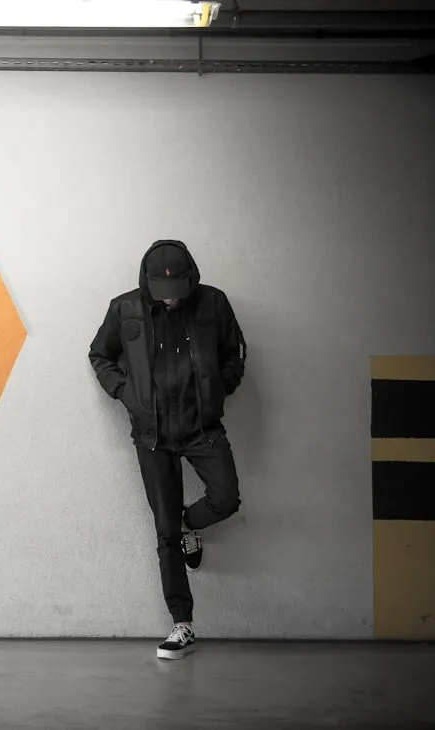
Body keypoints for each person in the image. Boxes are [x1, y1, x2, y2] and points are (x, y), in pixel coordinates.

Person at [89, 239, 247, 660]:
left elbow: (235, 354)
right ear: (148, 282)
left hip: (202, 427)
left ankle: (188, 525)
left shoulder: (214, 304)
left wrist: (219, 389)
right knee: (164, 535)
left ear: (192, 278)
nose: (171, 298)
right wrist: (126, 393)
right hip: (152, 433)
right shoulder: (125, 309)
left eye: (177, 289)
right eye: (162, 290)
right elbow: (99, 354)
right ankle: (182, 624)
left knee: (226, 499)